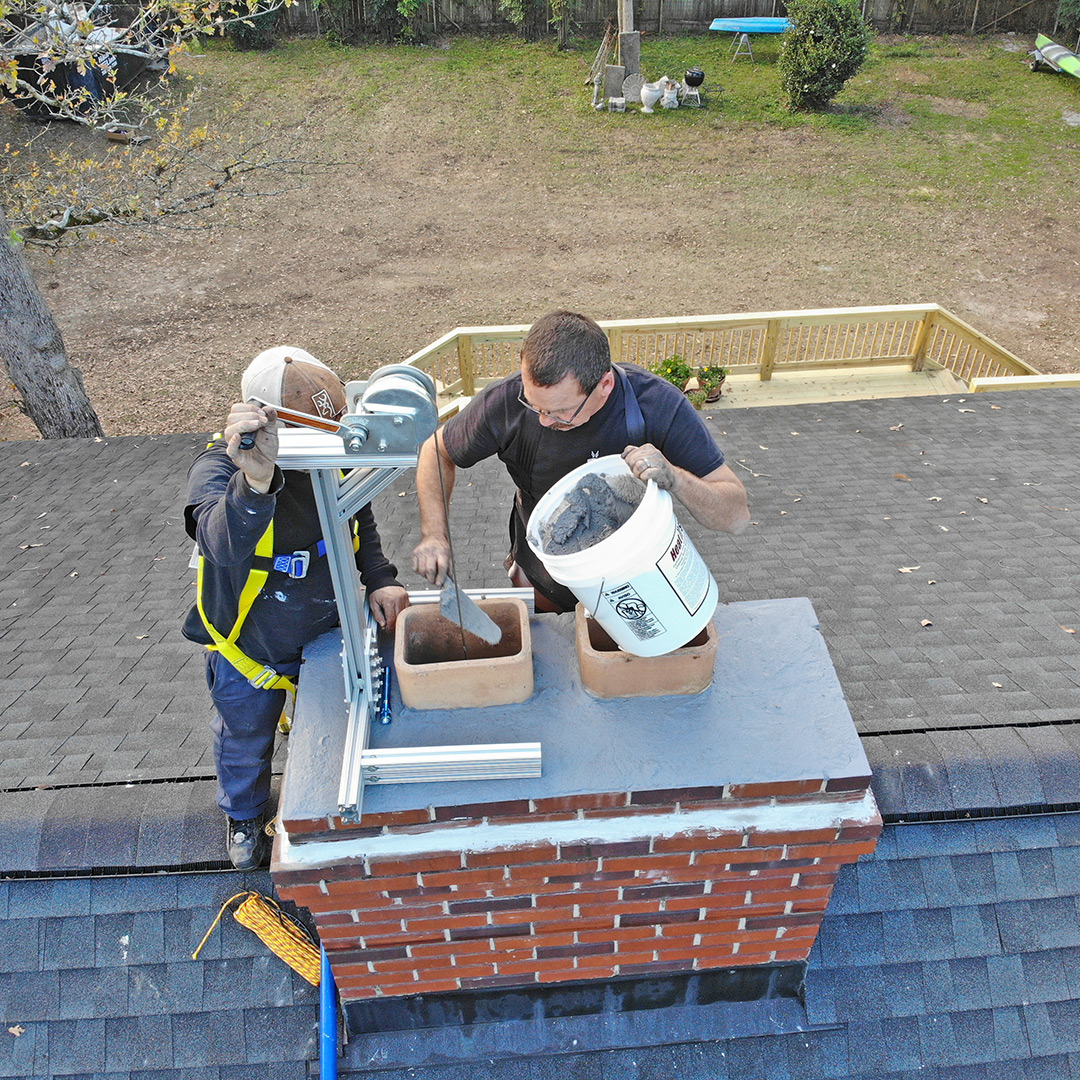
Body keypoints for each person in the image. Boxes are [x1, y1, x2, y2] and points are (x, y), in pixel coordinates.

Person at [183, 347, 409, 869]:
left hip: (326, 632)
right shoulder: (221, 466)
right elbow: (220, 542)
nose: (326, 451)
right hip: (251, 646)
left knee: (333, 725)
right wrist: (255, 480)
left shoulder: (329, 455)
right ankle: (242, 816)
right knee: (245, 736)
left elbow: (358, 516)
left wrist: (379, 578)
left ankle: (320, 809)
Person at [411, 310, 749, 611]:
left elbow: (736, 517)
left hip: (642, 586)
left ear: (604, 384)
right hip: (547, 584)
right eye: (535, 405)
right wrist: (434, 534)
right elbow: (436, 451)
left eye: (560, 412)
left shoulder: (658, 405)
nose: (544, 420)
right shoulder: (507, 404)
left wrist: (676, 479)